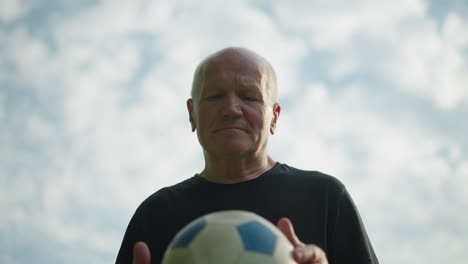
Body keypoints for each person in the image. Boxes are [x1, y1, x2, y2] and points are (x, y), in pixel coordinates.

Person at [116, 47, 378, 264]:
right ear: (191, 113)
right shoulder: (156, 214)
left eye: (249, 97)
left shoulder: (325, 197)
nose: (231, 109)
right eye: (215, 96)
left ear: (273, 117)